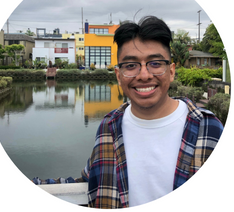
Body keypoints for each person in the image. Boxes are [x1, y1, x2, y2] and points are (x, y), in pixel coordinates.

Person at [33, 16, 223, 209]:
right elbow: (90, 180)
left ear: (171, 71)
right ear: (118, 75)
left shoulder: (208, 128)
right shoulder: (108, 127)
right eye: (131, 65)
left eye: (155, 63)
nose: (144, 75)